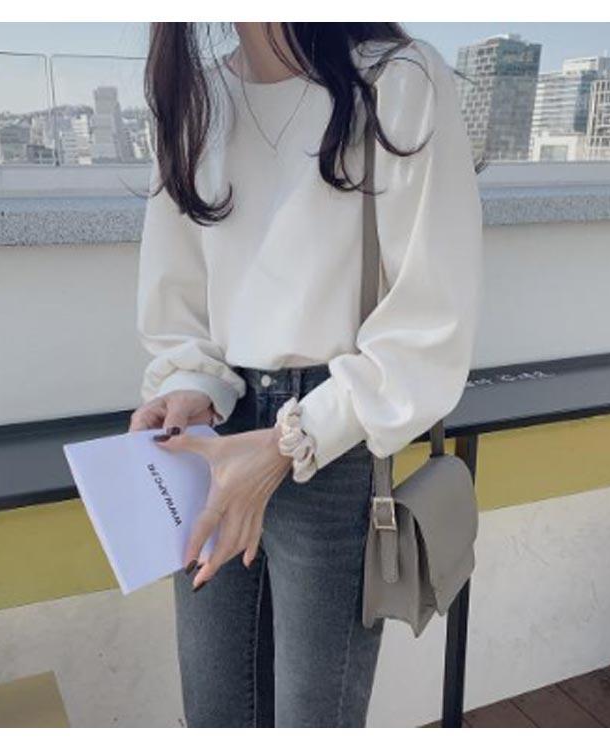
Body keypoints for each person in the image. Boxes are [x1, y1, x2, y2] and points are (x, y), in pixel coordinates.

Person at [129, 22, 483, 728]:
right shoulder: (194, 97)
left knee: (313, 722)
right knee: (215, 715)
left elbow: (430, 320)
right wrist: (187, 384)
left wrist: (291, 439)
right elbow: (180, 296)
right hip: (214, 438)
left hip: (334, 443)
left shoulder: (397, 80)